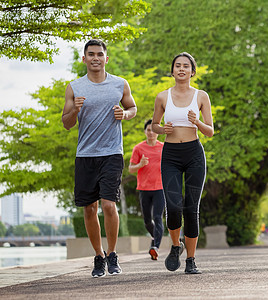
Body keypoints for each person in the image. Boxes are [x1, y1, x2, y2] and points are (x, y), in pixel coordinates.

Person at [62, 39, 137, 278]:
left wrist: (124, 114)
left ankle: (112, 254)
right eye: (91, 54)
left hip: (112, 152)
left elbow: (133, 108)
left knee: (108, 204)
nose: (95, 58)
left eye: (99, 54)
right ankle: (98, 256)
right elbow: (66, 123)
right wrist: (75, 109)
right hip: (85, 154)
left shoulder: (120, 84)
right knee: (89, 208)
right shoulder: (74, 87)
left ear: (106, 58)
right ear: (84, 59)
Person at [152, 52, 214, 274]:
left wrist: (196, 121)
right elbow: (154, 126)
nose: (181, 69)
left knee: (191, 207)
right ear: (172, 71)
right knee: (174, 205)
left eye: (185, 66)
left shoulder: (201, 96)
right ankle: (175, 245)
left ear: (192, 71)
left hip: (194, 154)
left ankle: (191, 260)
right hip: (170, 155)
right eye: (177, 66)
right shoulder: (162, 97)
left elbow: (210, 131)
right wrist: (162, 129)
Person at [129, 120, 164, 260]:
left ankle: (155, 247)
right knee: (147, 221)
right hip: (144, 188)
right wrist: (140, 164)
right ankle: (155, 239)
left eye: (153, 130)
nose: (151, 133)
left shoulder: (164, 147)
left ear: (158, 132)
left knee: (157, 217)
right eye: (148, 130)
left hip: (160, 188)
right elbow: (131, 169)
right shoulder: (138, 148)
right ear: (145, 132)